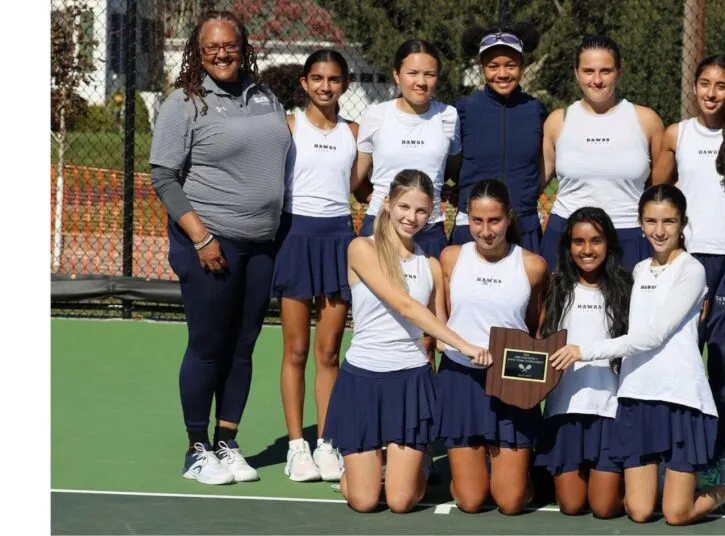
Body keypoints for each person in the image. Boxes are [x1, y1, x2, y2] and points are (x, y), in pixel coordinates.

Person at [550, 185, 725, 525]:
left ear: (683, 223)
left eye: (669, 221)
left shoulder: (692, 270)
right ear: (640, 224)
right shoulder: (640, 270)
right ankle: (668, 477)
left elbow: (653, 336)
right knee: (639, 511)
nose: (660, 231)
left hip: (681, 398)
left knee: (677, 514)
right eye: (651, 221)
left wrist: (583, 351)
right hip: (634, 398)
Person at [149, 10, 291, 485]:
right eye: (211, 47)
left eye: (229, 45)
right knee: (209, 346)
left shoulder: (265, 96)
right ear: (198, 51)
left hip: (261, 245)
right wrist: (201, 237)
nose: (221, 53)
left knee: (243, 347)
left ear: (243, 46)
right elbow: (164, 177)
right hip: (209, 243)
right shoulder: (185, 103)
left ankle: (227, 442)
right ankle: (196, 450)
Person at [321, 169, 491, 514]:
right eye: (404, 207)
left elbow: (440, 334)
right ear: (387, 203)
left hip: (411, 380)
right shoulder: (360, 248)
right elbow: (404, 305)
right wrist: (465, 344)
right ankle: (354, 472)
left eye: (420, 211)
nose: (410, 218)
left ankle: (420, 466)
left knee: (401, 501)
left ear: (431, 214)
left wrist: (491, 351)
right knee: (364, 500)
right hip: (362, 381)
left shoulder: (430, 266)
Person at [651, 54, 725, 486]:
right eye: (704, 83)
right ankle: (675, 448)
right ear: (694, 86)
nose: (711, 93)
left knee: (724, 362)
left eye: (720, 85)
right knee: (680, 354)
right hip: (688, 260)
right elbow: (658, 195)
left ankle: (713, 455)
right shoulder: (675, 134)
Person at [436, 179, 548, 515]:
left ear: (509, 218)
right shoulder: (451, 258)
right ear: (467, 219)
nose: (486, 231)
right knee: (470, 501)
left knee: (510, 502)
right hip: (461, 380)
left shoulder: (532, 266)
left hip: (510, 383)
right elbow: (443, 316)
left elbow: (532, 327)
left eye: (494, 220)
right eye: (477, 221)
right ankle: (472, 472)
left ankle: (519, 473)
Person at [272, 49, 357, 483]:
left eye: (335, 79)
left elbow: (363, 188)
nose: (326, 86)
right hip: (295, 239)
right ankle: (295, 447)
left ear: (345, 85)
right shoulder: (289, 126)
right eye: (318, 78)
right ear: (304, 83)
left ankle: (326, 443)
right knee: (297, 351)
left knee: (328, 353)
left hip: (339, 241)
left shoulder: (355, 133)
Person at [534, 207, 631, 518]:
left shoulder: (628, 289)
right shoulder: (554, 288)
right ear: (568, 245)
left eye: (596, 241)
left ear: (609, 244)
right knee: (572, 506)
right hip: (564, 412)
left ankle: (649, 482)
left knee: (604, 508)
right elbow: (536, 341)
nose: (587, 250)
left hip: (610, 411)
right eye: (578, 241)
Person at [541, 35, 664, 273]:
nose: (596, 80)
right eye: (588, 71)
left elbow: (660, 187)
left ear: (619, 72)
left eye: (605, 71)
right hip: (567, 234)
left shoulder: (647, 120)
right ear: (577, 73)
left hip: (627, 235)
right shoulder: (557, 121)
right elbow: (535, 182)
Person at [354, 39, 460, 259]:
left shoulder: (448, 116)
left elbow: (452, 169)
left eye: (429, 74)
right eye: (412, 73)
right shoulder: (376, 115)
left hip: (429, 229)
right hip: (380, 226)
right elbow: (357, 175)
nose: (421, 82)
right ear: (396, 74)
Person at [449, 23, 547, 253]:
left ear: (522, 66)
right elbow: (451, 161)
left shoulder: (535, 110)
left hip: (524, 222)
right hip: (474, 224)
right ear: (482, 67)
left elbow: (545, 162)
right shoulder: (464, 109)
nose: (502, 74)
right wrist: (458, 189)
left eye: (510, 65)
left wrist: (529, 192)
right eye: (493, 66)